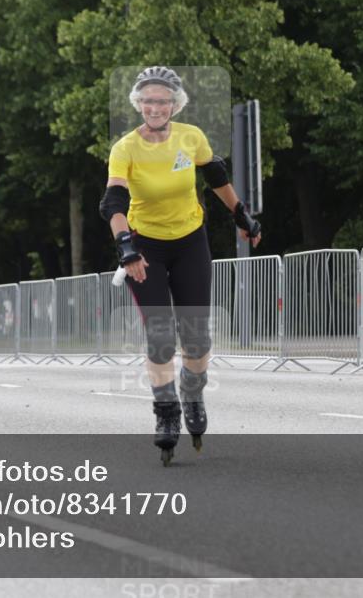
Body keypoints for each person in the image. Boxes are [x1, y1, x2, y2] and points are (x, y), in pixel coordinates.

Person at [99, 66, 261, 465]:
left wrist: (241, 216)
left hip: (190, 241)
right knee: (159, 338)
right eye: (148, 100)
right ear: (139, 104)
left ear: (175, 103)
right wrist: (126, 248)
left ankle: (193, 389)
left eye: (163, 99)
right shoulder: (125, 148)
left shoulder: (192, 137)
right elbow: (113, 204)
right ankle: (167, 413)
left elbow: (216, 176)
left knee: (197, 338)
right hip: (144, 248)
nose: (155, 106)